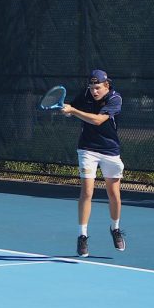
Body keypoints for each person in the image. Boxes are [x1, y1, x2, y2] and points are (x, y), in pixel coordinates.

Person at [61, 69, 126, 257]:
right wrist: (67, 110)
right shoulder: (85, 95)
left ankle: (115, 229)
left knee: (114, 194)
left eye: (97, 87)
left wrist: (72, 111)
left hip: (110, 150)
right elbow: (72, 107)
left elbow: (97, 120)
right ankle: (82, 236)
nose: (94, 91)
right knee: (87, 192)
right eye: (91, 87)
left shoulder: (115, 99)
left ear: (107, 85)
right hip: (87, 149)